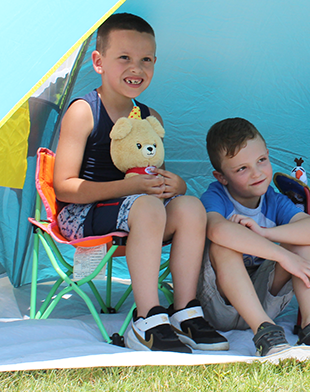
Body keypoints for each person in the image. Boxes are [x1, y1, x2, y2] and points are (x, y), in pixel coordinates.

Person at [53, 13, 227, 353]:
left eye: (145, 60)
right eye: (124, 58)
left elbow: (152, 182)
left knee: (190, 206)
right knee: (146, 205)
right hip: (83, 214)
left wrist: (172, 185)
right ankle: (146, 318)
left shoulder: (150, 118)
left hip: (139, 214)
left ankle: (184, 309)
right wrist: (131, 190)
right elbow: (64, 187)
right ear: (99, 62)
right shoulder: (84, 111)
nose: (137, 68)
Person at [200, 117, 310, 356]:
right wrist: (282, 255)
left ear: (268, 154)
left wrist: (266, 233)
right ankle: (264, 332)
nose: (257, 173)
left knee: (302, 239)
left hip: (265, 300)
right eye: (242, 169)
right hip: (220, 305)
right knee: (223, 244)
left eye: (261, 161)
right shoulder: (217, 196)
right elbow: (216, 229)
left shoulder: (273, 200)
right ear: (222, 177)